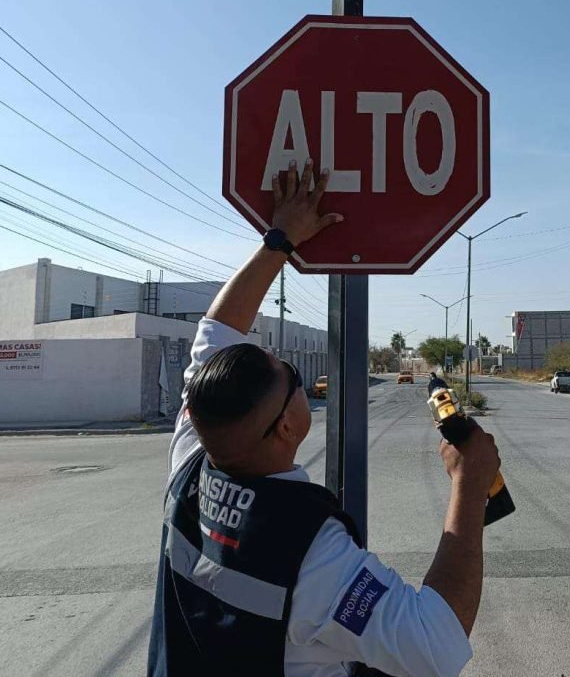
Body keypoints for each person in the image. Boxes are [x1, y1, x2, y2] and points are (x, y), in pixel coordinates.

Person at [147, 158, 500, 677]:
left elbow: (215, 333)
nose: (298, 378)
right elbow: (436, 644)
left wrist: (280, 239)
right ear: (286, 427)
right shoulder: (310, 555)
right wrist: (470, 486)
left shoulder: (194, 459)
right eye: (290, 375)